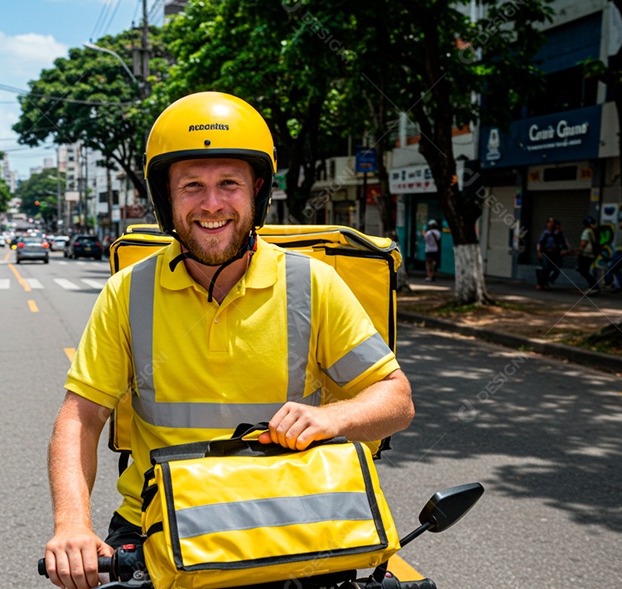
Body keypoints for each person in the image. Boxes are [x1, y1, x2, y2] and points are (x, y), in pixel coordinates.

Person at [43, 92, 415, 589]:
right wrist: (72, 525)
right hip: (159, 523)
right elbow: (81, 417)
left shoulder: (312, 283)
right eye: (192, 186)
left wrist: (333, 417)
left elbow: (396, 399)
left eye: (229, 184)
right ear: (165, 197)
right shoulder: (128, 292)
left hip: (288, 522)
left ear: (257, 190)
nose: (212, 204)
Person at [535, 218, 569, 290]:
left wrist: (564, 250)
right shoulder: (546, 233)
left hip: (555, 253)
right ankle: (543, 283)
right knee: (545, 267)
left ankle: (548, 281)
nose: (551, 225)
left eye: (552, 223)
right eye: (549, 223)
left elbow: (564, 244)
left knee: (555, 269)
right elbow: (539, 243)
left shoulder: (558, 234)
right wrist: (539, 252)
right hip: (546, 252)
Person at [576, 216, 600, 294]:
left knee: (583, 271)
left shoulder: (586, 232)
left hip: (586, 254)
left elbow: (583, 243)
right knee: (585, 271)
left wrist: (578, 250)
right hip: (592, 254)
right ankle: (594, 287)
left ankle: (594, 287)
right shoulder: (594, 231)